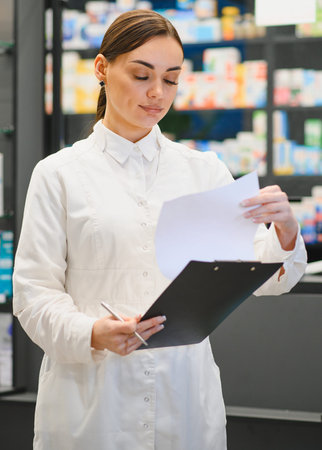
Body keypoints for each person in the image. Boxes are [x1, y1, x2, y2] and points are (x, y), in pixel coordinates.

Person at [13, 9, 307, 450]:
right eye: (141, 75)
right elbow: (33, 294)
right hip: (91, 405)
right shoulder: (59, 174)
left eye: (171, 79)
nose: (157, 93)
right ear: (101, 68)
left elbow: (250, 276)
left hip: (184, 399)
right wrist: (93, 332)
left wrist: (284, 231)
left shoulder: (203, 170)